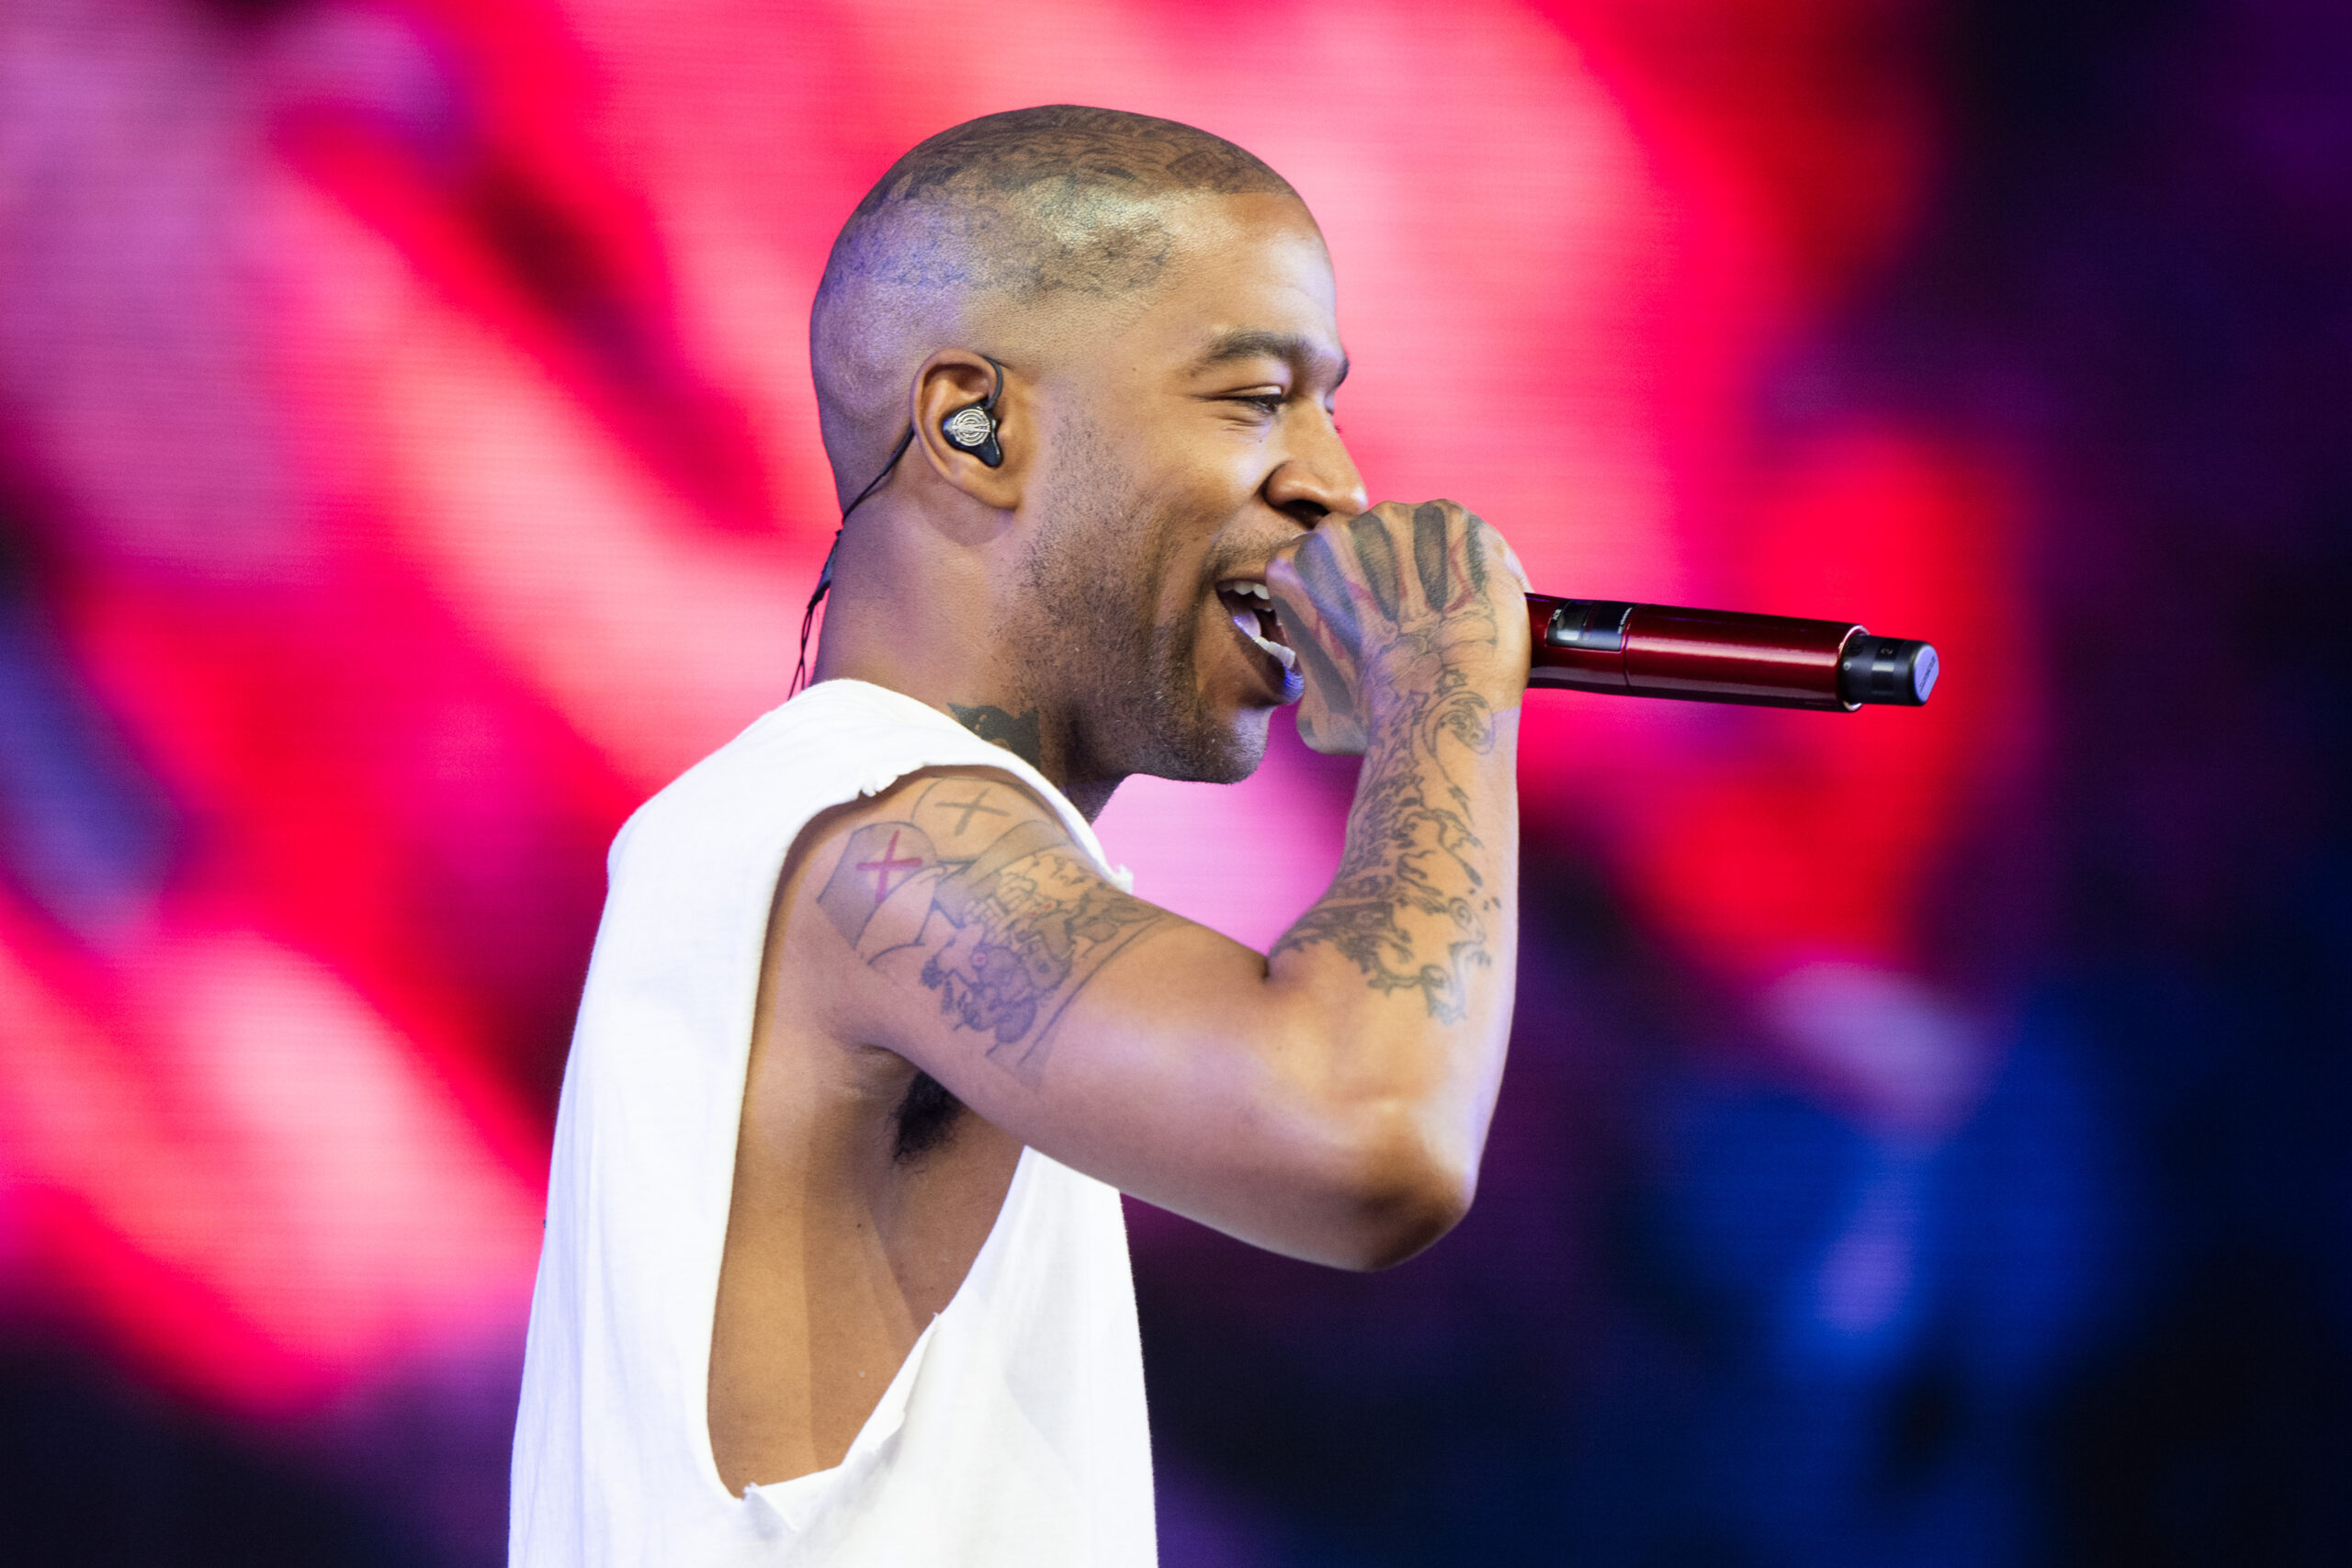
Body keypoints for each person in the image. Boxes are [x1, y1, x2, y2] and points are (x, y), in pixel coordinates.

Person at [510, 104, 1530, 1565]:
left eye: (1328, 407)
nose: (1334, 483)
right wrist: (1443, 690)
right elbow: (1367, 1128)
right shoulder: (874, 834)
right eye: (1254, 400)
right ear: (971, 425)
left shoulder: (835, 835)